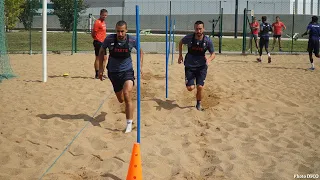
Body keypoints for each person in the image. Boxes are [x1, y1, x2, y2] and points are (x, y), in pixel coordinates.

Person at [98, 20, 144, 133]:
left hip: (127, 71)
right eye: (118, 31)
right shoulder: (109, 39)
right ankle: (127, 107)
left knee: (127, 94)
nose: (120, 34)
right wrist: (100, 68)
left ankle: (129, 123)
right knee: (121, 99)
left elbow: (141, 51)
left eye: (122, 31)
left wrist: (140, 66)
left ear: (126, 30)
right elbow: (102, 50)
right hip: (113, 72)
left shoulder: (132, 40)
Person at [178, 20, 215, 111]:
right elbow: (180, 42)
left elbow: (213, 53)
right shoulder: (189, 38)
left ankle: (198, 104)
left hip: (202, 66)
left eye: (200, 29)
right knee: (190, 88)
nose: (198, 31)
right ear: (194, 29)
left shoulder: (207, 41)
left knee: (200, 86)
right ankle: (190, 83)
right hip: (190, 65)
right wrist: (180, 55)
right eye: (197, 29)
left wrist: (209, 59)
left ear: (203, 29)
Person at [92, 9, 108, 79]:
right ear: (100, 14)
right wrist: (97, 39)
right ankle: (97, 74)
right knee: (98, 58)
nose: (104, 16)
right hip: (98, 42)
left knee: (105, 58)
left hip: (104, 42)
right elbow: (93, 33)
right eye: (103, 15)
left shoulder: (103, 22)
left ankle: (101, 73)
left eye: (105, 15)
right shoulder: (97, 22)